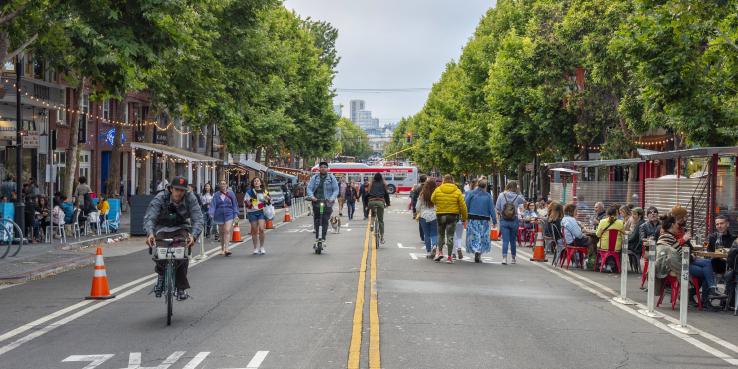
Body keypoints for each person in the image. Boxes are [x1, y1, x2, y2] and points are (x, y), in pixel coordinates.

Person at [144, 176, 204, 300]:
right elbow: (151, 216)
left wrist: (193, 235)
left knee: (181, 255)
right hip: (162, 227)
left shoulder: (190, 198)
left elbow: (198, 218)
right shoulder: (160, 197)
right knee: (160, 253)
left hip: (181, 227)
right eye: (176, 189)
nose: (179, 193)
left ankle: (181, 288)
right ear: (171, 189)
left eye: (182, 190)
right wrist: (150, 233)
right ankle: (161, 275)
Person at [655, 214, 725, 308]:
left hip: (680, 262)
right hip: (676, 266)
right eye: (677, 224)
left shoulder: (668, 236)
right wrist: (690, 252)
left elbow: (683, 252)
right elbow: (683, 255)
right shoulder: (668, 237)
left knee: (708, 264)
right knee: (707, 272)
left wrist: (690, 252)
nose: (678, 226)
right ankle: (708, 296)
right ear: (672, 225)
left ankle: (710, 291)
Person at [431, 174, 468, 264]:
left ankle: (440, 252)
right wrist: (464, 218)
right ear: (452, 180)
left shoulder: (438, 189)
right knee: (450, 236)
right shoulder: (457, 191)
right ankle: (450, 257)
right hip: (452, 215)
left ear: (444, 180)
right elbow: (463, 206)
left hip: (440, 214)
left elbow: (432, 199)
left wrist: (439, 204)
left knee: (440, 234)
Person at [464, 179, 497, 263]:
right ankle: (479, 252)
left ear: (478, 185)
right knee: (482, 237)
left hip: (473, 218)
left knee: (474, 236)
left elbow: (465, 205)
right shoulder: (488, 196)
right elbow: (491, 209)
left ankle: (476, 250)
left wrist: (464, 217)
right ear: (485, 186)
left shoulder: (471, 193)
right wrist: (494, 220)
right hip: (484, 220)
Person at [307, 161, 339, 245]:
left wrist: (332, 198)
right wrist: (312, 197)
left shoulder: (332, 178)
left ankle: (323, 237)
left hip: (327, 202)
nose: (323, 168)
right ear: (319, 169)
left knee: (325, 220)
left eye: (325, 167)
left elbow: (336, 190)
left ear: (327, 169)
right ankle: (318, 237)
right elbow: (309, 188)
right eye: (322, 167)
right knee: (317, 220)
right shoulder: (314, 178)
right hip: (316, 202)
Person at [495, 181, 525, 265]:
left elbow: (497, 207)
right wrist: (519, 192)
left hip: (504, 220)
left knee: (505, 241)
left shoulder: (501, 195)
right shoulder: (517, 197)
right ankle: (513, 258)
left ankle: (504, 258)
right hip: (514, 220)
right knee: (512, 240)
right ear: (515, 188)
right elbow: (524, 201)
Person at [209, 179, 240, 257]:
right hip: (219, 214)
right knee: (221, 232)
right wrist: (211, 213)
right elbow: (213, 204)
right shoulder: (216, 195)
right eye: (221, 184)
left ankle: (227, 249)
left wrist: (236, 214)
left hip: (229, 213)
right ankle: (222, 248)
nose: (222, 185)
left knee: (227, 230)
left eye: (224, 184)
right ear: (219, 185)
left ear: (226, 185)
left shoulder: (231, 193)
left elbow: (235, 204)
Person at [244, 177, 270, 255]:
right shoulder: (249, 192)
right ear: (253, 183)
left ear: (260, 183)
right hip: (252, 212)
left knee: (261, 229)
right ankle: (255, 248)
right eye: (255, 181)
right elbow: (246, 202)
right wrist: (251, 202)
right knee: (254, 230)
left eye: (258, 181)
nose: (256, 182)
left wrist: (267, 199)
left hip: (261, 212)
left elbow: (269, 201)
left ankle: (262, 247)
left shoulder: (264, 191)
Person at [416, 178, 438, 258]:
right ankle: (435, 245)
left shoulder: (422, 194)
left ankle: (428, 252)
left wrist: (418, 212)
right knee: (434, 233)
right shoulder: (436, 193)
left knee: (426, 234)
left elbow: (417, 207)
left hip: (423, 216)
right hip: (434, 215)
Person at [367, 173, 391, 244]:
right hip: (380, 202)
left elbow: (368, 193)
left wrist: (366, 204)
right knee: (380, 220)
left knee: (373, 213)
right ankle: (382, 238)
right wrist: (388, 203)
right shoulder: (384, 184)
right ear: (381, 177)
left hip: (371, 202)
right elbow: (386, 195)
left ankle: (371, 224)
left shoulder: (371, 183)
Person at [410, 174, 428, 242]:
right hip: (429, 207)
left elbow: (414, 199)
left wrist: (414, 211)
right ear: (425, 180)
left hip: (420, 208)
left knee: (421, 223)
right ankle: (427, 236)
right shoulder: (429, 187)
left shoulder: (417, 187)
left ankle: (422, 237)